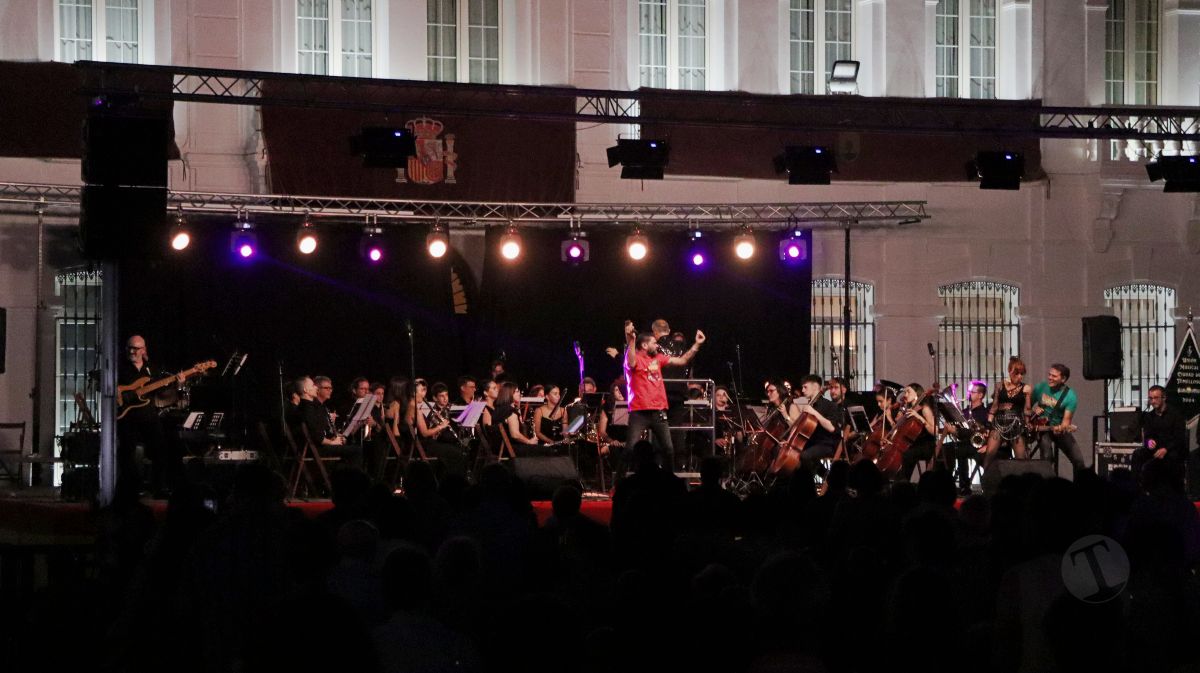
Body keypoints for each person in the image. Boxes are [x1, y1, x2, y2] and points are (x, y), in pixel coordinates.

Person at [623, 319, 705, 470]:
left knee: (668, 449)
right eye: (654, 343)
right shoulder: (636, 358)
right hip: (639, 412)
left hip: (658, 411)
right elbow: (631, 362)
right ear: (645, 345)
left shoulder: (658, 358)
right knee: (630, 449)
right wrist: (631, 339)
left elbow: (682, 361)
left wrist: (697, 344)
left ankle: (669, 481)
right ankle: (619, 483)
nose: (658, 345)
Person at [116, 334, 170, 493]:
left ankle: (159, 487)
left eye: (136, 348)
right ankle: (130, 489)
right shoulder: (119, 367)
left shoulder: (151, 368)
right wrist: (119, 395)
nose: (132, 351)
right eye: (129, 348)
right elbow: (107, 386)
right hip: (127, 417)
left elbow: (160, 390)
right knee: (127, 453)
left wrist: (178, 381)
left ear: (143, 350)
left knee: (160, 449)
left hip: (148, 415)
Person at [1030, 363, 1086, 473]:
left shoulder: (1070, 396)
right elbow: (1026, 409)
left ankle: (1079, 488)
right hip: (1042, 428)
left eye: (1054, 376)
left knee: (1078, 461)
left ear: (1063, 379)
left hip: (1058, 427)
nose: (1050, 378)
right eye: (1049, 375)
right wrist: (1033, 412)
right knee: (1047, 457)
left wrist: (1062, 428)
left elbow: (1066, 422)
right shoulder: (1040, 388)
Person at [983, 357, 1032, 470]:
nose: (1020, 376)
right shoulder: (1000, 386)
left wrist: (1028, 423)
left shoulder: (1026, 388)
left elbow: (1027, 409)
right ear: (1010, 371)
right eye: (1017, 373)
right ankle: (985, 482)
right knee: (989, 454)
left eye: (1022, 374)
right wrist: (988, 424)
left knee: (1021, 458)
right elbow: (994, 406)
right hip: (999, 423)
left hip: (1016, 424)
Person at [1132, 385, 1187, 478]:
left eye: (1156, 398)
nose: (1153, 401)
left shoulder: (1176, 415)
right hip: (1155, 450)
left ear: (1164, 398)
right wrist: (1148, 442)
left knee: (1172, 458)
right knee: (1137, 454)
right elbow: (1147, 437)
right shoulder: (1149, 416)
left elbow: (1179, 438)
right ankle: (1136, 486)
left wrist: (1166, 449)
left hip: (1171, 450)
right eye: (1151, 398)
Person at [795, 374, 841, 469]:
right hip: (810, 443)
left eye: (805, 387)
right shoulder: (807, 404)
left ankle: (812, 481)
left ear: (815, 386)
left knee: (805, 456)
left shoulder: (830, 405)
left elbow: (831, 428)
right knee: (792, 454)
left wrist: (814, 412)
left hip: (826, 444)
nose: (802, 390)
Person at [897, 382, 938, 481]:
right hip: (914, 444)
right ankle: (899, 484)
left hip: (927, 445)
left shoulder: (924, 409)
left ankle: (904, 483)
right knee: (903, 453)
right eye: (905, 392)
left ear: (917, 394)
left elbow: (935, 431)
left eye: (908, 392)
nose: (905, 395)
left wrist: (920, 417)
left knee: (908, 454)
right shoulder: (908, 410)